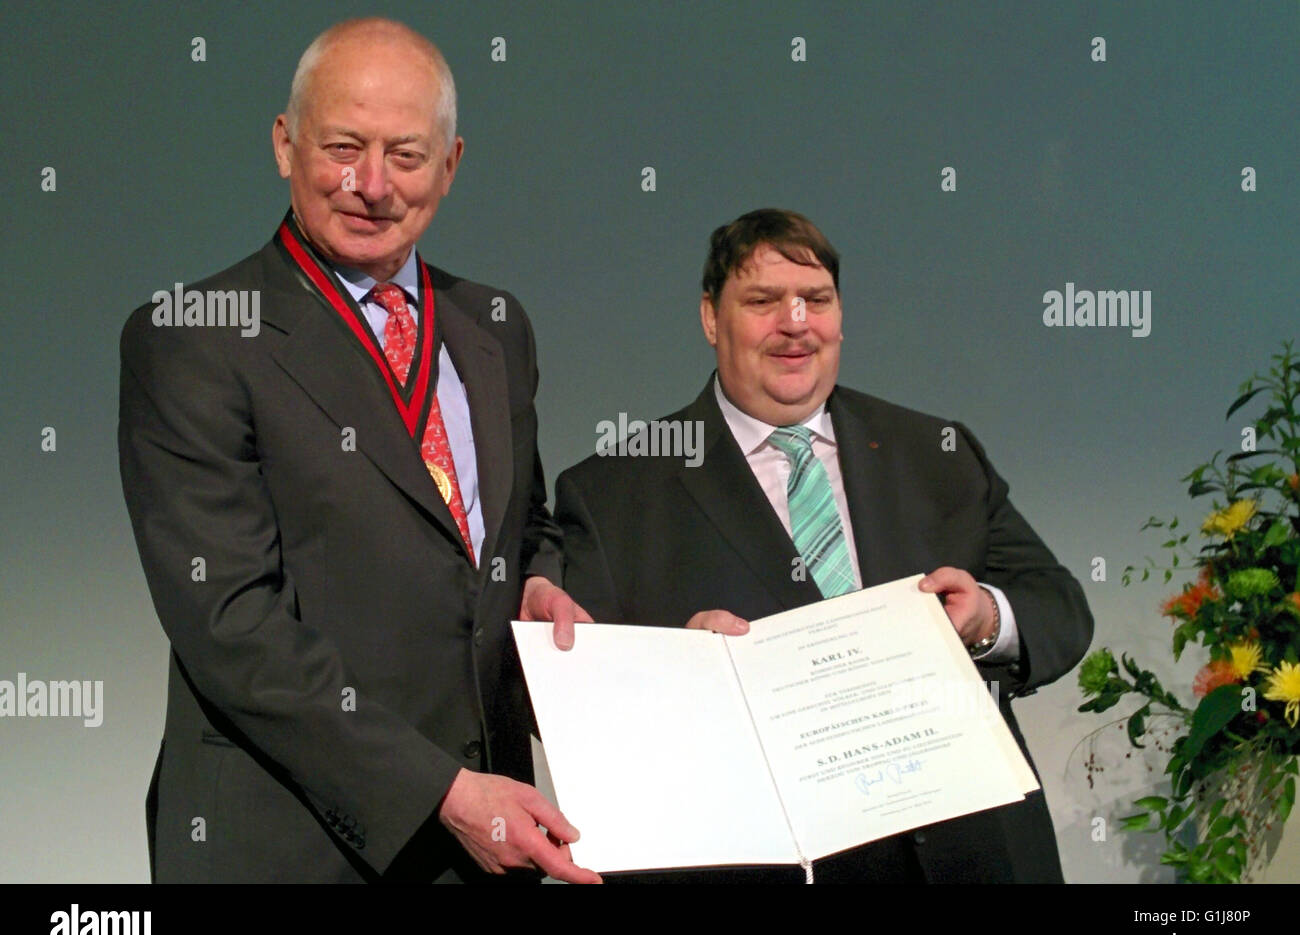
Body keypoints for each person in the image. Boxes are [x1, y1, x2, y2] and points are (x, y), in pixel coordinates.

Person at [118, 17, 600, 884]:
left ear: (451, 165)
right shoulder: (194, 338)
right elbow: (230, 625)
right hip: (292, 842)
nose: (371, 184)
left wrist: (539, 580)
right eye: (343, 146)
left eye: (406, 156)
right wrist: (445, 793)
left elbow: (517, 527)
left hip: (487, 838)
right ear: (284, 144)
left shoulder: (496, 328)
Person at [555, 208, 1093, 882]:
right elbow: (582, 713)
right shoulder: (612, 492)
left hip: (977, 859)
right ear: (710, 318)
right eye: (762, 301)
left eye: (816, 300)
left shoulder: (936, 452)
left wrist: (986, 618)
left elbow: (1061, 608)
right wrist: (684, 678)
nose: (796, 323)